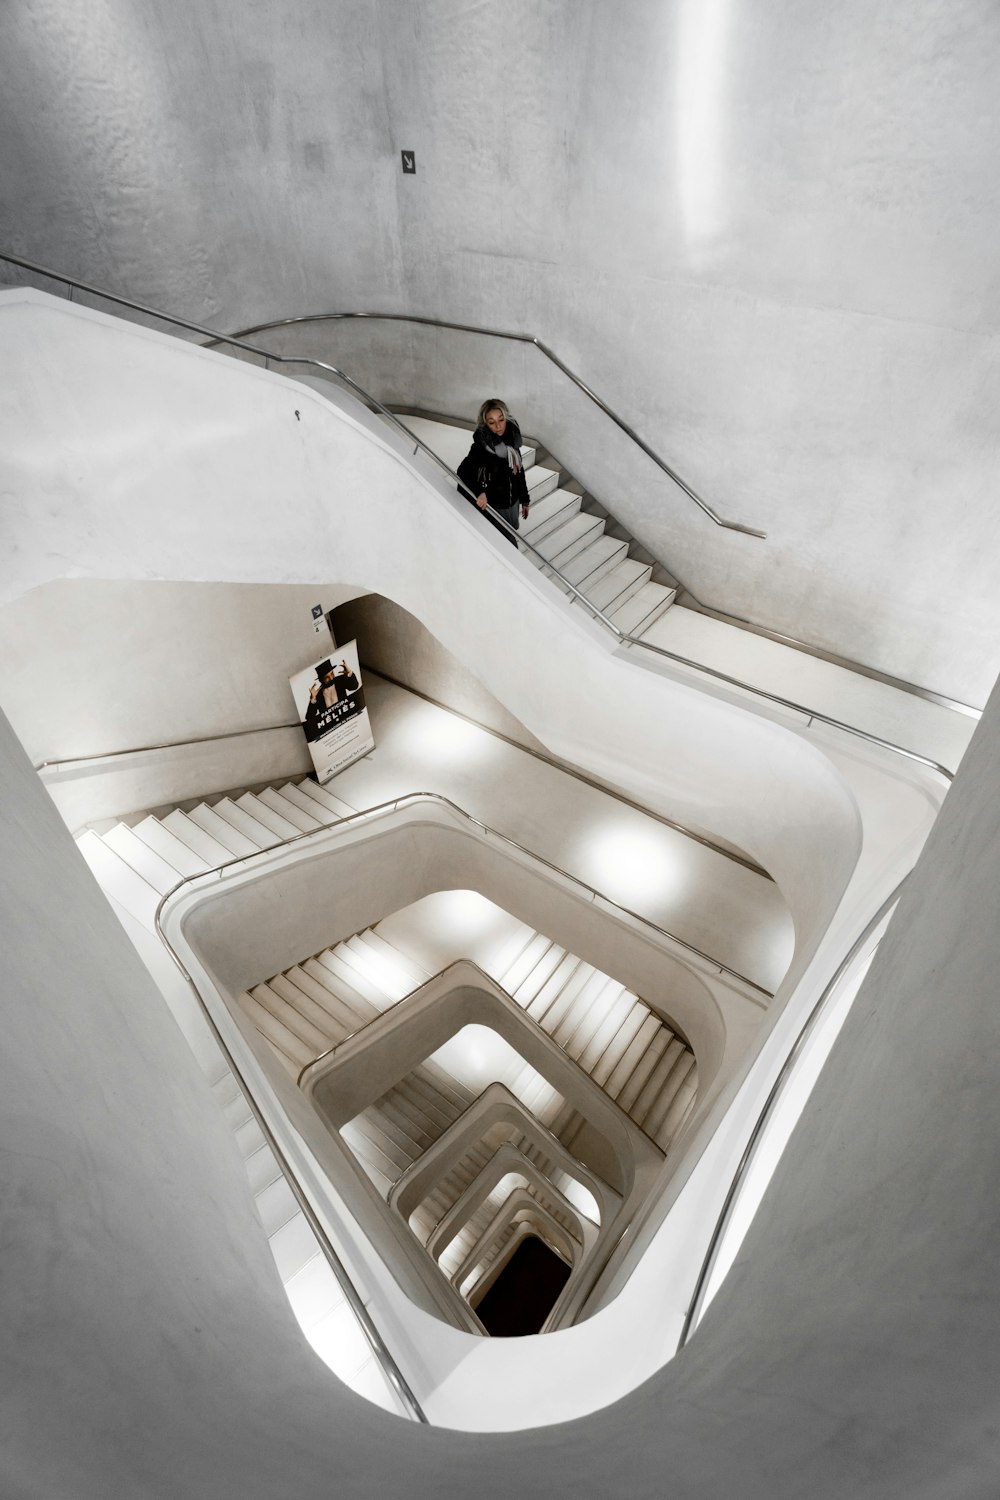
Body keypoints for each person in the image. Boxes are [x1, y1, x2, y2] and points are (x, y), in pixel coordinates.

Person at [456, 398, 531, 547]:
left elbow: (519, 473)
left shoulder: (513, 445)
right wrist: (480, 492)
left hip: (512, 503)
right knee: (507, 543)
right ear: (485, 424)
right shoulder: (481, 448)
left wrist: (525, 499)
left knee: (509, 534)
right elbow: (463, 471)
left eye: (501, 420)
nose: (498, 426)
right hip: (495, 506)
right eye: (492, 422)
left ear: (506, 419)